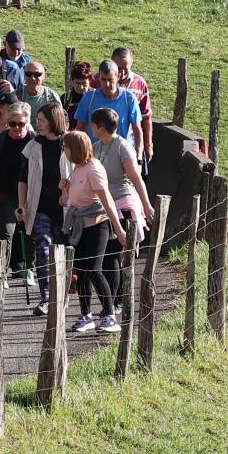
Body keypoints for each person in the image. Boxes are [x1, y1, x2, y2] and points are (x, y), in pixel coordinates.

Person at [60, 131, 128, 334]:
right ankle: (86, 315)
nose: (64, 150)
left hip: (98, 225)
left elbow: (106, 200)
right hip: (81, 226)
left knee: (94, 269)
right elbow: (75, 197)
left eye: (66, 147)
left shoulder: (94, 169)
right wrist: (66, 189)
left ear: (76, 148)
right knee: (81, 271)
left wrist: (118, 228)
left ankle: (109, 316)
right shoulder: (76, 169)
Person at [90, 107, 151, 307]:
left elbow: (135, 178)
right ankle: (115, 300)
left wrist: (146, 204)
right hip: (103, 207)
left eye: (94, 125)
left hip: (122, 204)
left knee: (114, 254)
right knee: (107, 256)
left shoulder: (122, 147)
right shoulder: (96, 147)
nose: (91, 128)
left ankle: (117, 301)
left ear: (101, 127)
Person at [18, 101, 70, 317]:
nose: (37, 124)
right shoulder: (33, 145)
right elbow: (22, 179)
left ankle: (62, 295)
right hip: (40, 207)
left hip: (66, 208)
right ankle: (46, 297)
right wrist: (21, 205)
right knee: (43, 249)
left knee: (63, 252)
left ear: (53, 120)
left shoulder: (70, 143)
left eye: (41, 120)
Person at [0, 102, 34, 287]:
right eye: (12, 123)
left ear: (27, 122)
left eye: (21, 123)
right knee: (6, 232)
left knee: (28, 232)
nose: (16, 127)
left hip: (30, 192)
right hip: (7, 192)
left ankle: (29, 268)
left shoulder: (34, 141)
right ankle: (2, 271)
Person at [72, 59, 144, 151]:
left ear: (118, 77)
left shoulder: (128, 98)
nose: (107, 84)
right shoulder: (89, 98)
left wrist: (138, 157)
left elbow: (137, 130)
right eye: (103, 79)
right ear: (98, 77)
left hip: (121, 155)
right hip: (94, 155)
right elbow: (79, 129)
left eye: (110, 80)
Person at [110, 47, 153, 152]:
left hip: (130, 144)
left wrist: (148, 145)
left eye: (126, 68)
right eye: (119, 68)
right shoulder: (99, 81)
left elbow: (146, 117)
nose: (123, 73)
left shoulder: (140, 84)